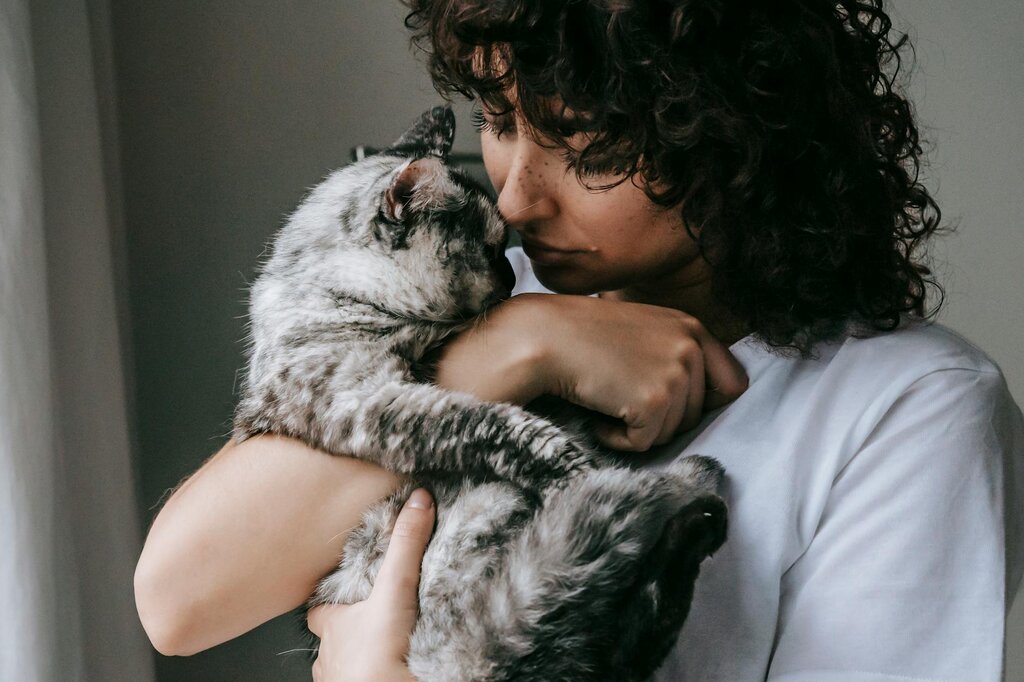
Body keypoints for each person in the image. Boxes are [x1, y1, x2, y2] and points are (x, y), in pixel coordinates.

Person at [133, 1, 1024, 680]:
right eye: (499, 119)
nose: (516, 199)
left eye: (588, 151)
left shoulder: (911, 407)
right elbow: (178, 601)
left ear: (737, 136)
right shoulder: (485, 304)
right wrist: (516, 346)